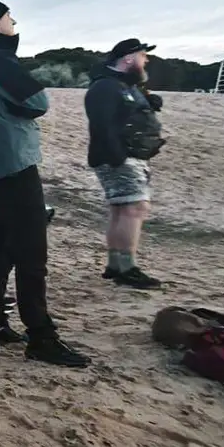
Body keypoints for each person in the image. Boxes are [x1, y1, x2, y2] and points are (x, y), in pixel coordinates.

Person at [0, 0, 91, 367]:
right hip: (15, 168)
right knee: (31, 256)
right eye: (9, 18)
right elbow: (38, 100)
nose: (14, 22)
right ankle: (41, 337)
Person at [84, 39, 167, 289]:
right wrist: (117, 155)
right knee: (135, 208)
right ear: (128, 58)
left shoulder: (122, 86)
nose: (146, 60)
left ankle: (116, 264)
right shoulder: (107, 87)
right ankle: (127, 268)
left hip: (126, 156)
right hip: (120, 157)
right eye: (143, 55)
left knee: (121, 209)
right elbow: (102, 124)